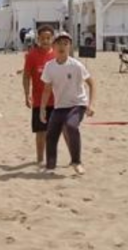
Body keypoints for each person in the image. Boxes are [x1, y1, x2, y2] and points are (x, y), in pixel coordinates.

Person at [40, 32, 97, 175]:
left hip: (78, 103)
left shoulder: (76, 65)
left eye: (65, 43)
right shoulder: (49, 66)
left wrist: (91, 105)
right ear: (53, 46)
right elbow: (47, 89)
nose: (62, 46)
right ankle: (50, 165)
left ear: (70, 47)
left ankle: (76, 162)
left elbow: (92, 83)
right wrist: (42, 109)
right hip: (60, 106)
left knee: (71, 125)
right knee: (51, 134)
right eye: (59, 43)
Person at [21, 25, 56, 166]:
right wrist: (26, 95)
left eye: (48, 38)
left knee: (56, 131)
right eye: (43, 38)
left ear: (52, 38)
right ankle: (40, 159)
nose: (45, 41)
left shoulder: (57, 54)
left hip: (57, 100)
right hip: (38, 100)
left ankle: (55, 159)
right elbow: (26, 76)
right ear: (38, 39)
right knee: (40, 131)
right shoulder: (32, 55)